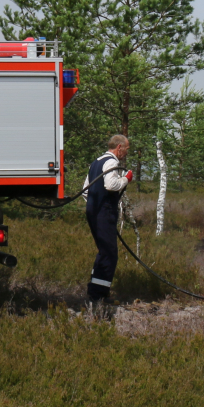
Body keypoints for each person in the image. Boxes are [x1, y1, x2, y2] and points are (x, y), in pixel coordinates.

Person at [82, 134, 133, 315]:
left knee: (104, 252)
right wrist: (126, 178)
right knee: (109, 254)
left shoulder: (96, 162)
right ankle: (99, 295)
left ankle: (96, 291)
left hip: (94, 212)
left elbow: (85, 189)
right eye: (126, 149)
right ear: (119, 148)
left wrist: (93, 205)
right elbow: (111, 185)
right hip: (104, 213)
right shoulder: (111, 163)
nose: (127, 153)